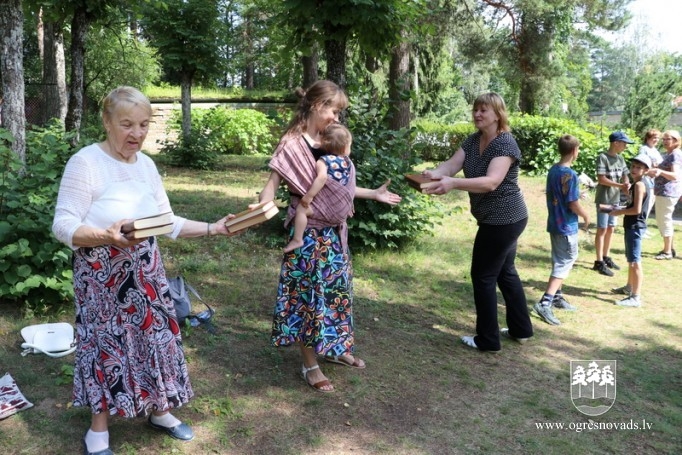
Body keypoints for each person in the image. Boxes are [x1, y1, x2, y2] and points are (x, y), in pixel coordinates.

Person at [52, 86, 237, 455]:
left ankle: (159, 410)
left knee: (156, 339)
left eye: (143, 125)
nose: (136, 133)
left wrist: (214, 227)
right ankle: (98, 429)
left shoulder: (147, 165)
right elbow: (62, 225)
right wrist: (104, 235)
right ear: (106, 122)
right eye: (127, 124)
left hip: (145, 269)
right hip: (101, 272)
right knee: (106, 345)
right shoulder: (85, 162)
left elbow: (167, 221)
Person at [257, 80, 401, 392]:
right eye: (333, 110)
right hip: (307, 235)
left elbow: (339, 186)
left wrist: (374, 194)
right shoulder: (292, 145)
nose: (336, 117)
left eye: (338, 112)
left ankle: (335, 349)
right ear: (315, 106)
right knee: (309, 300)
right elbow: (273, 183)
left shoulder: (330, 139)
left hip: (334, 236)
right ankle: (310, 364)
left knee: (336, 294)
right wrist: (260, 204)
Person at [422, 92, 533, 352]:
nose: (477, 114)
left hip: (504, 219)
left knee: (483, 276)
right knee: (505, 272)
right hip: (498, 219)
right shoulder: (473, 141)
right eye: (475, 110)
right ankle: (521, 330)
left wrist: (452, 184)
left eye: (484, 110)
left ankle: (488, 340)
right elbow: (451, 165)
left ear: (498, 114)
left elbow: (491, 182)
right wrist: (435, 174)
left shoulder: (505, 144)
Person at [534, 135, 590, 326]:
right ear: (574, 151)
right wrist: (586, 216)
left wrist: (577, 193)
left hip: (555, 223)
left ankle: (557, 297)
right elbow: (572, 203)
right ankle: (545, 302)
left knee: (560, 259)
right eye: (579, 149)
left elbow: (561, 193)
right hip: (567, 226)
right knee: (565, 262)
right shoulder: (571, 175)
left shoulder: (553, 170)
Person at [283, 123, 353, 253]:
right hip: (342, 211)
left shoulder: (324, 161)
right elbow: (347, 186)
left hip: (327, 207)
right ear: (344, 148)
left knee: (301, 210)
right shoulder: (348, 163)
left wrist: (309, 196)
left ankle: (298, 239)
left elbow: (322, 178)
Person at [609, 154, 652, 307]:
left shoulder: (640, 185)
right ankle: (629, 287)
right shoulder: (638, 183)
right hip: (632, 226)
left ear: (646, 170)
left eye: (639, 167)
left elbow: (636, 210)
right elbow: (632, 204)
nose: (634, 169)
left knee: (635, 262)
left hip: (635, 226)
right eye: (633, 166)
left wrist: (618, 212)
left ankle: (635, 297)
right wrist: (625, 198)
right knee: (630, 260)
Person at [592, 131, 632, 276]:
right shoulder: (603, 157)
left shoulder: (620, 159)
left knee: (611, 228)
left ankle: (606, 256)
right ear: (616, 143)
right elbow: (602, 179)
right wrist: (621, 186)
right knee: (602, 229)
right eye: (624, 143)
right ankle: (598, 262)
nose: (626, 146)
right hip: (604, 198)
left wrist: (626, 183)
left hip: (615, 199)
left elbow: (625, 175)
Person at [650, 129, 682, 259]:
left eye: (667, 139)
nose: (664, 141)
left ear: (676, 141)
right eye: (663, 139)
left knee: (664, 221)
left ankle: (667, 251)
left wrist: (659, 171)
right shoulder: (671, 154)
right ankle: (670, 249)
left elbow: (675, 175)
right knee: (665, 220)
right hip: (665, 192)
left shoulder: (675, 154)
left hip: (667, 192)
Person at [638, 129, 663, 236]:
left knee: (649, 204)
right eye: (654, 138)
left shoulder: (655, 150)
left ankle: (643, 226)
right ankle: (640, 227)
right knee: (645, 204)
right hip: (646, 179)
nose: (656, 140)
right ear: (648, 138)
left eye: (657, 138)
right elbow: (642, 163)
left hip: (654, 181)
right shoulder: (644, 149)